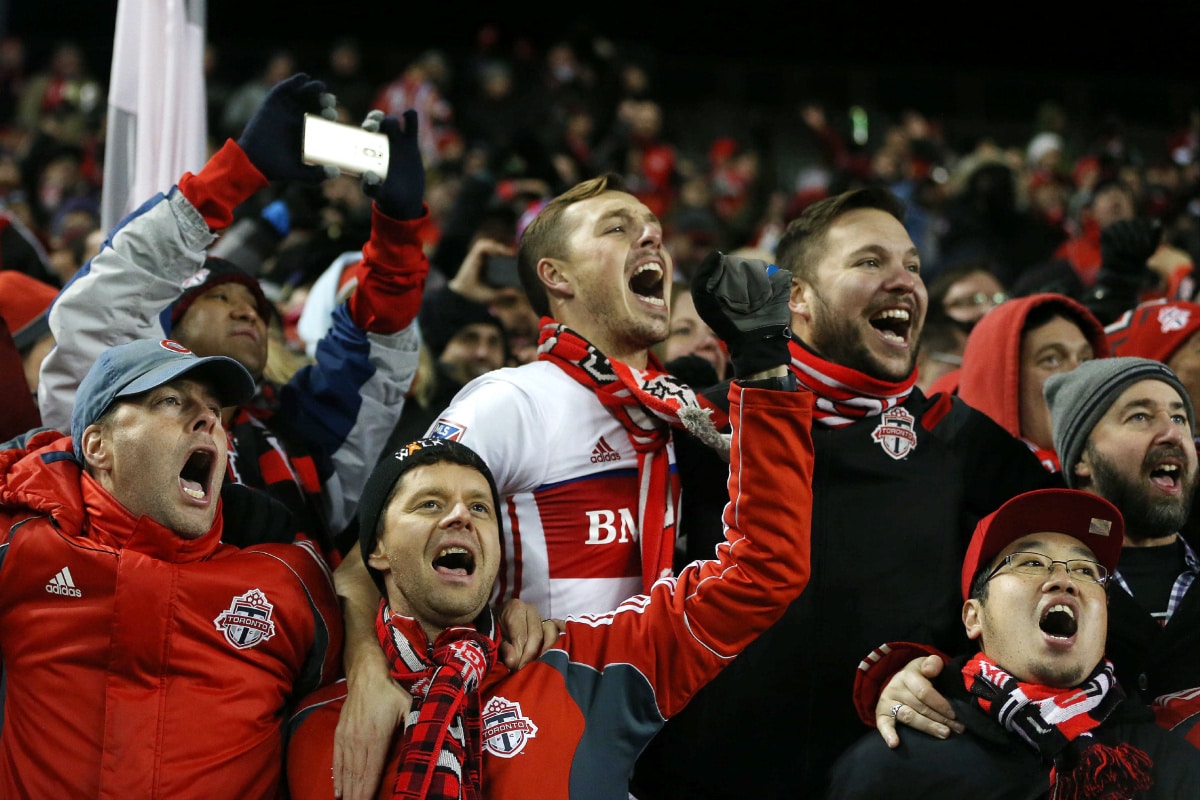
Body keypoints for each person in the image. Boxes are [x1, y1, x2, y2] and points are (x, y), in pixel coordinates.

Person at [286, 255, 814, 799]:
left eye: (481, 507)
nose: (460, 515)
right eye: (427, 505)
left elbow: (763, 569)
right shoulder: (315, 718)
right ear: (376, 549)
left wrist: (766, 372)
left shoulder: (591, 668)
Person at [633, 185, 1059, 800]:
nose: (904, 280)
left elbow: (1061, 603)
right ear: (795, 297)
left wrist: (956, 681)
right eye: (870, 261)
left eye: (912, 265)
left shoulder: (962, 441)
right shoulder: (704, 428)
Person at [330, 173, 735, 797]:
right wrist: (366, 671)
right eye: (617, 227)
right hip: (539, 731)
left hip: (668, 727)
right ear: (557, 276)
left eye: (653, 227)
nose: (651, 234)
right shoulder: (513, 400)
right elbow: (366, 560)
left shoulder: (677, 411)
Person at [38, 74, 429, 560]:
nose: (248, 310)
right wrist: (239, 170)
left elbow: (375, 366)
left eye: (259, 309)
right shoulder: (111, 413)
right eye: (220, 299)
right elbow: (114, 296)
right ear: (167, 328)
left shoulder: (300, 437)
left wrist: (399, 230)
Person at [0, 338, 342, 797]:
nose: (207, 419)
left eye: (214, 411)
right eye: (170, 401)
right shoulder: (21, 544)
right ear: (98, 447)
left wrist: (374, 672)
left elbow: (376, 654)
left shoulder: (290, 578)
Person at [860, 357, 1200, 752]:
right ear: (1081, 459)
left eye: (1180, 418)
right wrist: (905, 680)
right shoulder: (1010, 584)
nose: (1171, 433)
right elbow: (948, 670)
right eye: (1140, 417)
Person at [828, 487, 1200, 799]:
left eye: (1085, 570)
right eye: (1031, 563)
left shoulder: (1175, 768)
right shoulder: (892, 768)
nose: (1063, 579)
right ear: (974, 616)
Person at [929, 293, 1109, 472]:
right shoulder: (946, 485)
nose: (1079, 374)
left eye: (1086, 360)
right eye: (1051, 359)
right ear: (1002, 382)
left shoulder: (1118, 471)